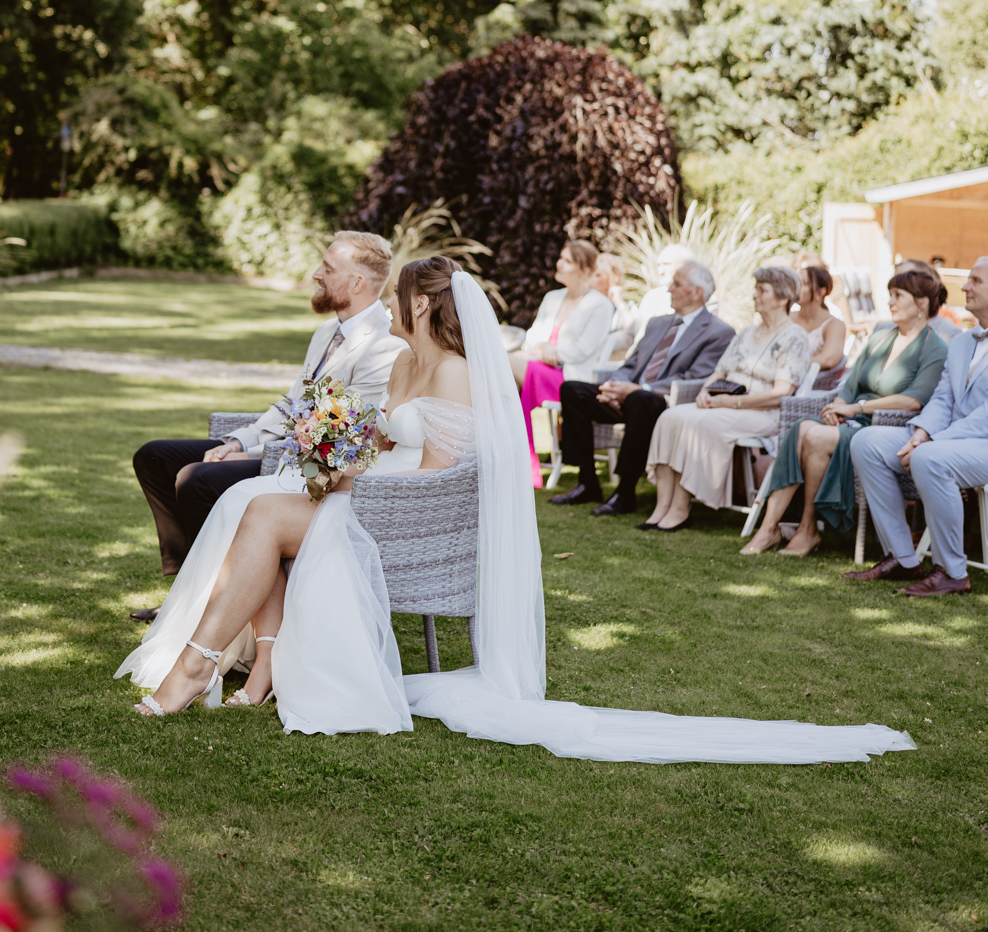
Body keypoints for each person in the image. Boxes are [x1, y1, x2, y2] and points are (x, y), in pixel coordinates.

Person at [115, 259, 915, 764]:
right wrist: (333, 465)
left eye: (400, 301)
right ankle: (245, 672)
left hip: (407, 523)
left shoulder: (459, 375)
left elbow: (437, 471)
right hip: (370, 500)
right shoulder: (402, 367)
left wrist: (343, 486)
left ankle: (199, 668)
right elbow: (374, 445)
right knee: (259, 498)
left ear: (422, 308)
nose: (393, 311)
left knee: (260, 512)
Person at [130, 232, 402, 581]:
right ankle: (187, 586)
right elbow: (293, 405)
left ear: (357, 282)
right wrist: (238, 443)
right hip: (281, 446)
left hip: (311, 465)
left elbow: (335, 437)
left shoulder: (382, 346)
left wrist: (253, 454)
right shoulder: (326, 331)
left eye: (328, 268)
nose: (317, 274)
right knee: (154, 458)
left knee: (195, 480)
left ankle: (217, 590)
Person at [741, 266, 948, 558]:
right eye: (889, 294)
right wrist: (838, 406)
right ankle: (771, 527)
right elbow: (850, 383)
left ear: (922, 304)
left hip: (884, 428)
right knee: (801, 427)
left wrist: (856, 408)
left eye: (897, 295)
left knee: (812, 437)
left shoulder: (935, 349)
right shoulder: (879, 338)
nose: (889, 301)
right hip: (851, 418)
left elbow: (913, 401)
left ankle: (805, 528)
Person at [846, 253, 988, 597]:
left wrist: (930, 443)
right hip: (946, 440)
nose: (964, 286)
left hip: (978, 442)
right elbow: (943, 399)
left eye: (976, 281)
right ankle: (903, 558)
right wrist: (921, 433)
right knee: (867, 441)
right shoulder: (963, 342)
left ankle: (953, 572)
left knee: (929, 458)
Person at [554, 260, 735, 511]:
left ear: (696, 292)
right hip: (629, 395)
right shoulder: (657, 323)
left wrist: (640, 390)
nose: (669, 288)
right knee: (572, 390)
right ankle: (587, 482)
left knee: (641, 400)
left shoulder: (719, 332)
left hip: (662, 403)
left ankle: (625, 492)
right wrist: (615, 387)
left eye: (676, 284)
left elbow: (697, 378)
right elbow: (632, 363)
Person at [641, 265, 810, 531]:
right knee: (670, 417)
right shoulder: (746, 333)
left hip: (764, 413)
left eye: (762, 290)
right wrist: (704, 393)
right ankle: (662, 506)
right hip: (725, 402)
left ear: (782, 298)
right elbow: (718, 372)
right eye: (756, 288)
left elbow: (782, 393)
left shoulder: (795, 337)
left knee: (699, 425)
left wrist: (732, 403)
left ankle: (680, 509)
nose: (755, 295)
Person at [510, 239, 614, 486]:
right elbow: (533, 337)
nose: (559, 264)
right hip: (537, 365)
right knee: (504, 376)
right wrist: (540, 348)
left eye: (567, 260)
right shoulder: (552, 297)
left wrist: (549, 349)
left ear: (584, 269)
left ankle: (522, 461)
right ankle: (520, 460)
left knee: (501, 366)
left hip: (570, 378)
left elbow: (582, 350)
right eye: (561, 258)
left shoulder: (600, 304)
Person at [790, 260, 847, 391]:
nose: (796, 288)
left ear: (820, 292)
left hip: (809, 388)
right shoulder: (788, 317)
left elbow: (829, 359)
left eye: (803, 284)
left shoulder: (834, 325)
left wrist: (788, 367)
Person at [628, 243, 696, 349]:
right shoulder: (652, 296)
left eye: (666, 264)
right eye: (659, 265)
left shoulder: (696, 298)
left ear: (685, 266)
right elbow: (630, 335)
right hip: (635, 360)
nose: (661, 271)